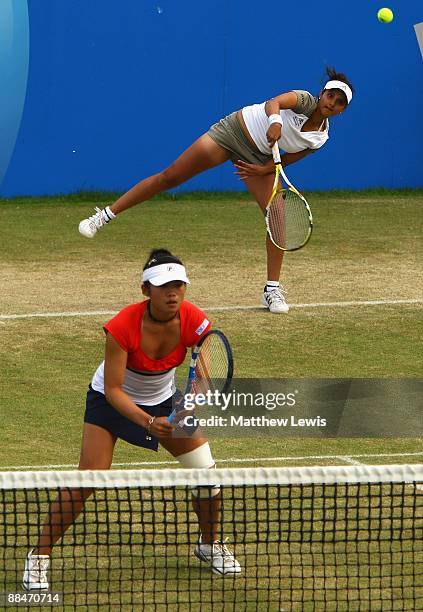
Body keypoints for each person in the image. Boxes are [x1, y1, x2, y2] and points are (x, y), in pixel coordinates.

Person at [23, 249, 241, 591]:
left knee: (206, 472)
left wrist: (196, 396)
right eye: (163, 286)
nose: (172, 293)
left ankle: (210, 544)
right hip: (111, 404)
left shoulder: (192, 318)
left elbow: (203, 359)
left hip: (164, 399)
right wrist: (149, 422)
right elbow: (113, 389)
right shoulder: (123, 326)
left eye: (178, 285)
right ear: (145, 291)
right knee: (87, 481)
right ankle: (39, 556)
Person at [78, 67, 354, 314]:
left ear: (342, 110)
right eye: (331, 96)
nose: (332, 103)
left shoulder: (320, 137)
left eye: (339, 103)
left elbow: (288, 159)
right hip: (233, 131)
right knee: (170, 177)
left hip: (259, 158)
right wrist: (276, 122)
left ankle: (272, 290)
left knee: (278, 218)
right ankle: (104, 215)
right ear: (322, 93)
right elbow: (275, 103)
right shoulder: (304, 100)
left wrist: (262, 170)